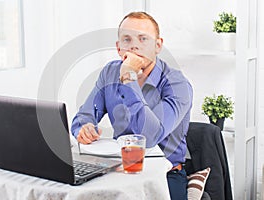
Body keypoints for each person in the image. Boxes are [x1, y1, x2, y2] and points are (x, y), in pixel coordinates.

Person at [71, 11, 193, 200]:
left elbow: (150, 137)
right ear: (119, 48)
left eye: (143, 39)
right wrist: (84, 127)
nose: (134, 45)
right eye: (127, 39)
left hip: (166, 176)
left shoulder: (177, 84)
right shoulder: (110, 72)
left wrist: (129, 77)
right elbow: (84, 115)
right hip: (120, 170)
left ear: (158, 45)